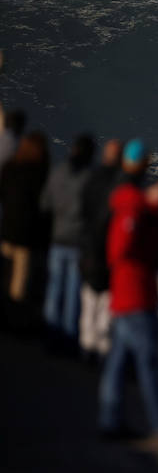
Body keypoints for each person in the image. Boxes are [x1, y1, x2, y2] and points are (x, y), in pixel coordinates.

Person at [98, 139, 158, 437]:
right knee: (147, 360)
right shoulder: (133, 204)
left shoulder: (130, 202)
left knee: (118, 364)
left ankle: (110, 419)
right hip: (135, 294)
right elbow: (119, 249)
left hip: (126, 293)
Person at [40, 134, 95, 349]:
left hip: (57, 238)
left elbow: (45, 204)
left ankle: (50, 334)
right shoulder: (88, 178)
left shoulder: (58, 173)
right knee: (73, 291)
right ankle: (69, 337)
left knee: (54, 289)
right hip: (77, 241)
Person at [0, 131, 50, 327]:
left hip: (7, 229)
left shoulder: (10, 168)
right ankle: (13, 320)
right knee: (19, 281)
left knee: (5, 273)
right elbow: (43, 205)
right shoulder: (37, 173)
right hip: (26, 234)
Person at [78, 139, 122, 359]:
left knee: (89, 301)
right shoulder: (119, 184)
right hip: (107, 249)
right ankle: (102, 349)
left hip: (90, 246)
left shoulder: (92, 179)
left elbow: (83, 210)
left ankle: (86, 346)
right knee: (104, 304)